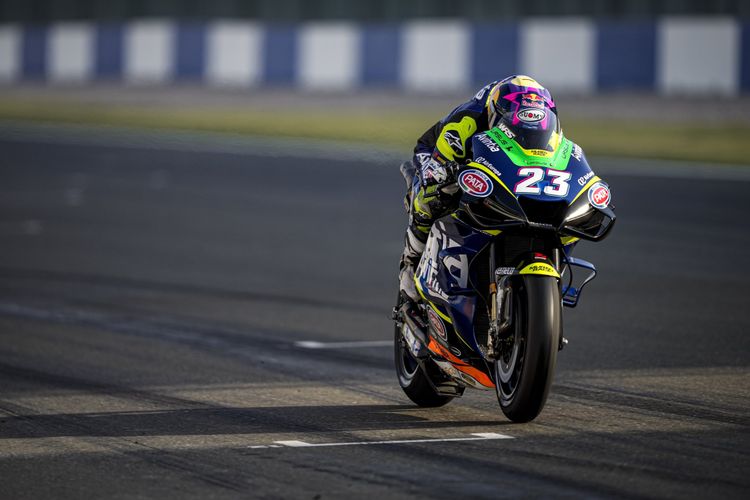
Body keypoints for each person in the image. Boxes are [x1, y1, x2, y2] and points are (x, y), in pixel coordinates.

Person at [399, 74, 560, 302]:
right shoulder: (466, 123)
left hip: (502, 156)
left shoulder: (548, 126)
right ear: (496, 115)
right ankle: (410, 263)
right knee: (431, 194)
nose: (529, 131)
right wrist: (443, 173)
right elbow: (438, 165)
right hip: (439, 151)